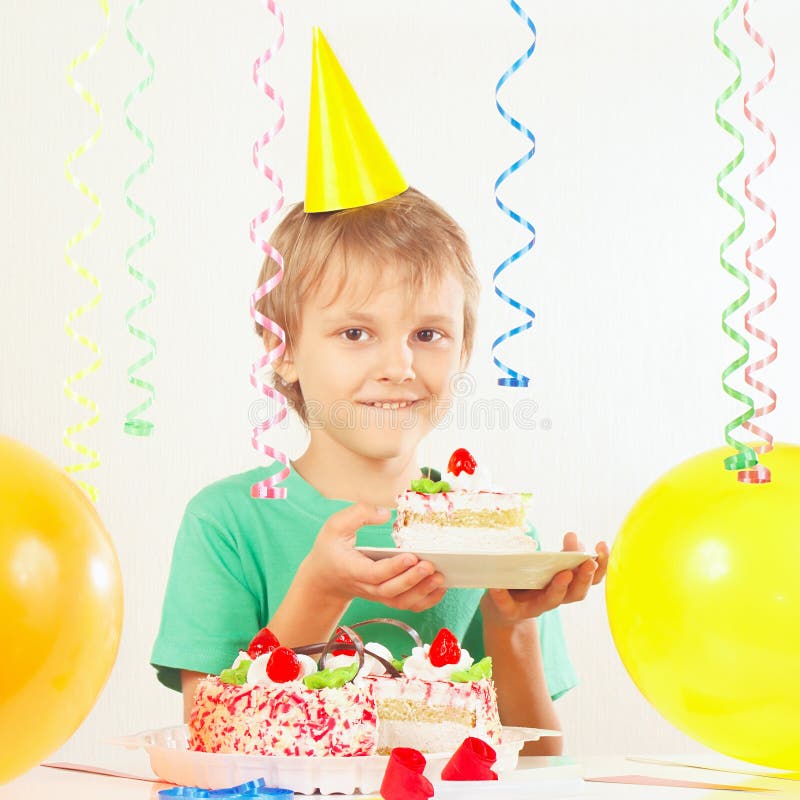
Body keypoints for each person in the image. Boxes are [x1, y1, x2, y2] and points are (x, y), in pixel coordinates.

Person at [151, 29, 608, 756]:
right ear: (283, 353)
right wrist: (321, 592)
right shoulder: (228, 525)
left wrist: (514, 626)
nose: (399, 365)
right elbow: (211, 742)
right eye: (356, 334)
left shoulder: (499, 548)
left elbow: (539, 764)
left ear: (462, 351)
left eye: (428, 334)